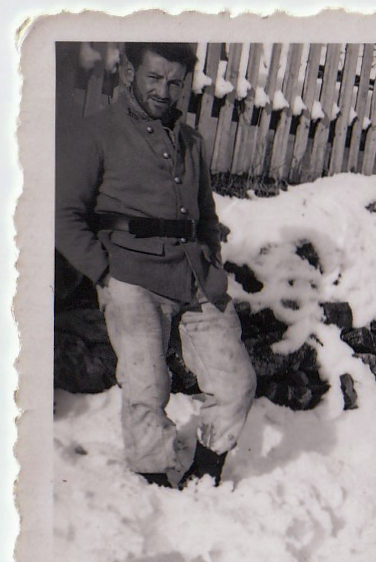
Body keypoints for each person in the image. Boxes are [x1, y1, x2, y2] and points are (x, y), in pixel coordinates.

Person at [55, 42, 256, 488]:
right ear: (128, 72)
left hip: (194, 273)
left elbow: (206, 216)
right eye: (154, 78)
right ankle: (154, 478)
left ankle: (206, 471)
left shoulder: (192, 143)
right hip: (130, 277)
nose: (164, 91)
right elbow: (63, 214)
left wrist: (212, 259)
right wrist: (103, 272)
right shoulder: (95, 134)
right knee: (146, 388)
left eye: (175, 82)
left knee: (237, 381)